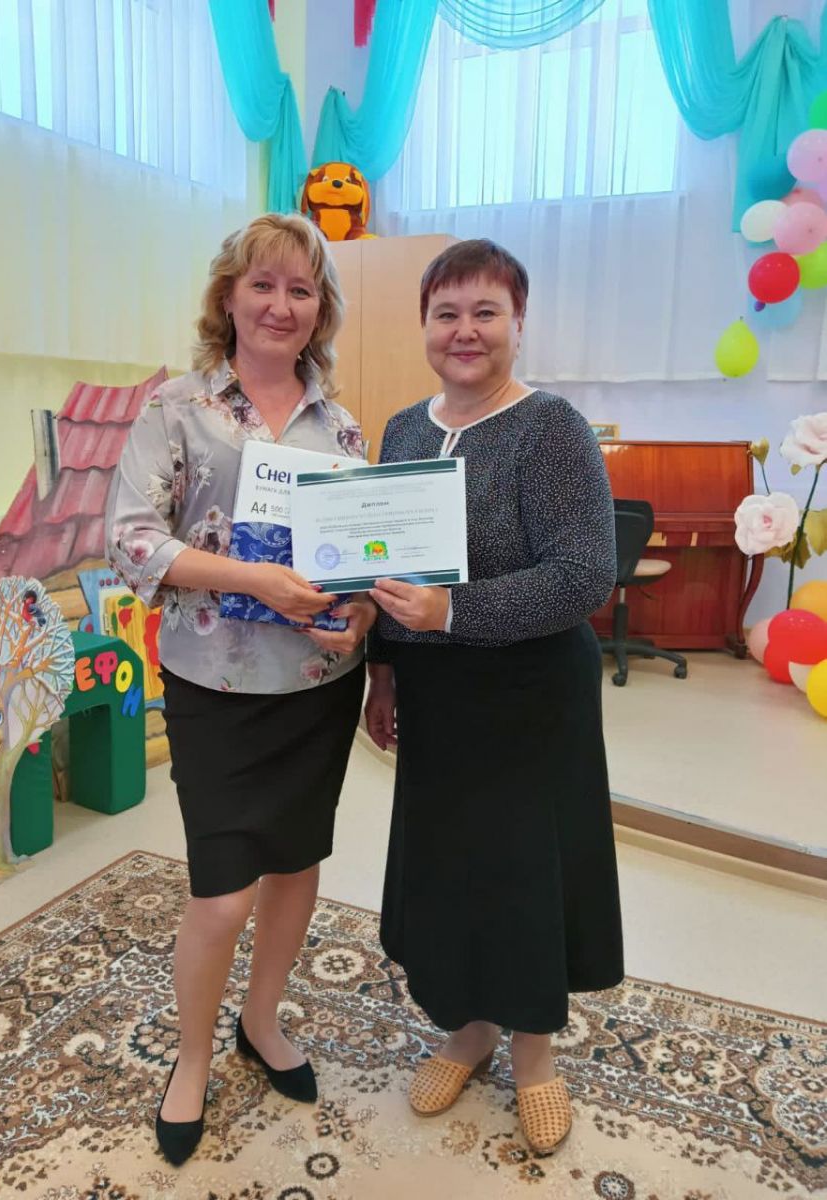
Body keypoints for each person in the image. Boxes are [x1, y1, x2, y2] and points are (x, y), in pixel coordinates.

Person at [106, 213, 375, 1167]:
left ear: (320, 310)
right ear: (228, 296)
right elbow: (131, 538)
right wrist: (253, 578)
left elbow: (358, 557)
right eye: (262, 284)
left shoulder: (342, 427)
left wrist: (360, 614)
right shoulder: (176, 407)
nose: (280, 304)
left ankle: (261, 1022)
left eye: (301, 290)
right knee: (222, 897)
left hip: (317, 684)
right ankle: (191, 1059)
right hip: (213, 681)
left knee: (296, 867)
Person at [365, 238, 623, 1156]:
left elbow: (584, 573)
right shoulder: (401, 430)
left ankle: (534, 1057)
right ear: (424, 325)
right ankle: (466, 1031)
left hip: (530, 696)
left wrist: (453, 609)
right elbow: (385, 565)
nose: (465, 330)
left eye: (486, 312)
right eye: (447, 313)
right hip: (436, 695)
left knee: (523, 872)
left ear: (518, 323)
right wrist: (384, 669)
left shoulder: (550, 428)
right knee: (450, 866)